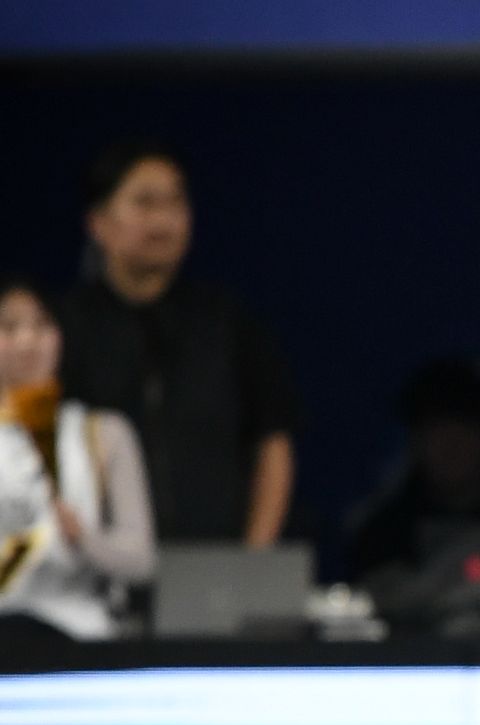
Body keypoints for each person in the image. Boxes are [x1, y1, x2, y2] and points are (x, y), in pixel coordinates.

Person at [56, 141, 298, 546]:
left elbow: (273, 438)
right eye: (145, 203)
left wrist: (254, 556)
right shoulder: (63, 327)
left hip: (215, 558)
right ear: (98, 222)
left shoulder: (225, 321)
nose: (163, 221)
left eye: (175, 202)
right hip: (97, 563)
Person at [0, 276, 155, 644]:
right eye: (9, 327)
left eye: (41, 325)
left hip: (81, 635)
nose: (27, 341)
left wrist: (83, 538)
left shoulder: (103, 433)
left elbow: (141, 560)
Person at [344, 359, 480, 593]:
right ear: (415, 441)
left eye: (465, 428)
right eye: (436, 430)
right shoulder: (383, 534)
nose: (452, 445)